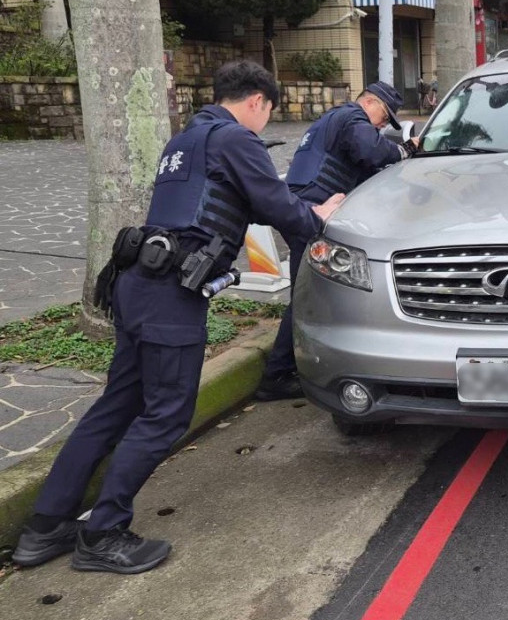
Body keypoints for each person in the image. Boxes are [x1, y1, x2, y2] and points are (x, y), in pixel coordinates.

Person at [13, 61, 344, 575]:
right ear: (258, 101)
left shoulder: (188, 140)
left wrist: (298, 206)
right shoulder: (236, 140)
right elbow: (278, 207)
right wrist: (319, 217)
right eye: (268, 112)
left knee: (117, 406)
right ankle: (103, 534)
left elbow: (230, 204)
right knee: (166, 412)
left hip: (136, 284)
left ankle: (46, 526)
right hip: (170, 296)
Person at [255, 82, 410, 400]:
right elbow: (370, 150)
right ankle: (277, 376)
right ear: (369, 101)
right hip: (311, 211)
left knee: (307, 292)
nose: (382, 125)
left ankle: (286, 369)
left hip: (302, 207)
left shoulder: (335, 119)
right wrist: (402, 151)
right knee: (306, 296)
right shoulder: (352, 116)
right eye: (384, 116)